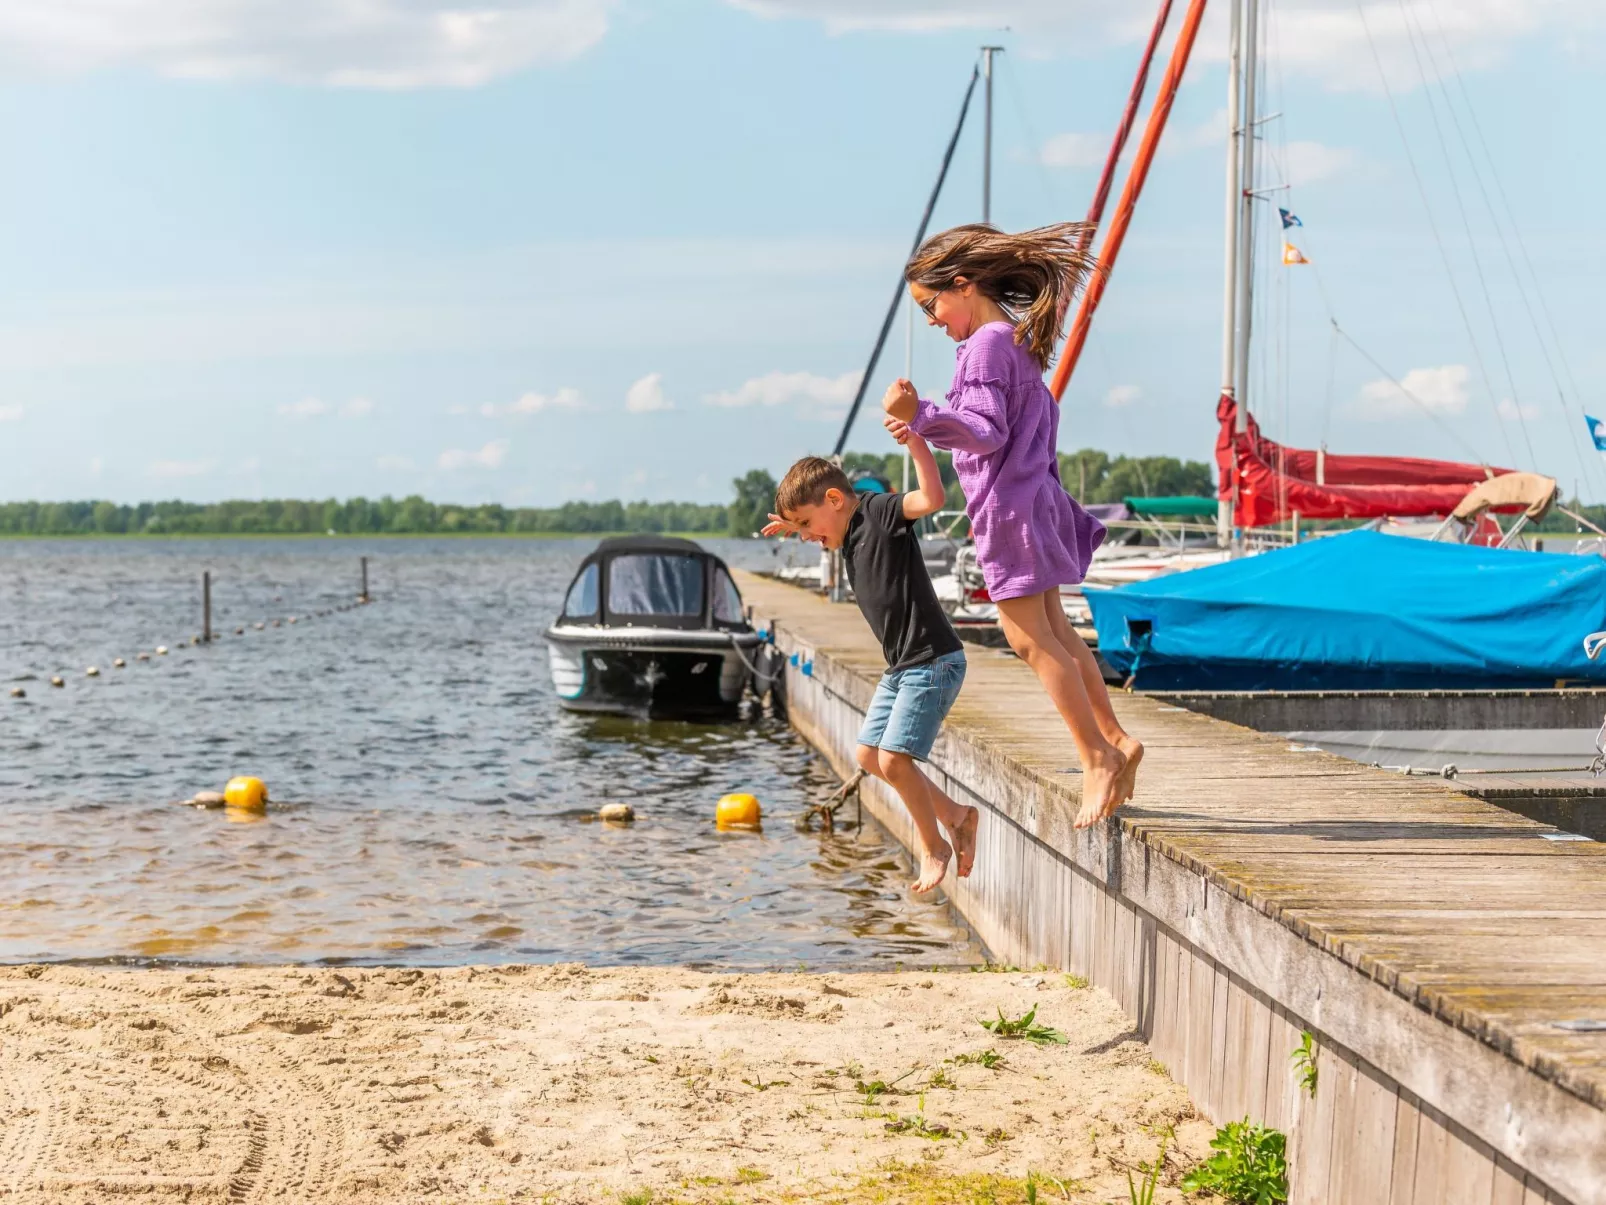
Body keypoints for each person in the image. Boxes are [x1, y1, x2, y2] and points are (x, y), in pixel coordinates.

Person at [881, 220, 1142, 829]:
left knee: (1028, 640)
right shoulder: (1012, 340)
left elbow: (986, 430)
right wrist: (924, 423)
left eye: (932, 305)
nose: (932, 321)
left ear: (964, 284)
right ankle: (1115, 740)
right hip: (1034, 500)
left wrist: (919, 410)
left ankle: (1097, 758)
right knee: (1056, 632)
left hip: (1010, 508)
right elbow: (996, 425)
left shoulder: (986, 345)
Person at [763, 440, 978, 894]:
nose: (806, 536)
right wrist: (797, 522)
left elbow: (933, 499)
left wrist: (917, 441)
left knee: (894, 759)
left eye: (807, 524)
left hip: (933, 660)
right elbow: (820, 521)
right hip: (903, 667)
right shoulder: (843, 533)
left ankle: (934, 845)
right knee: (868, 756)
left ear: (836, 501)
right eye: (799, 528)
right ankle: (957, 816)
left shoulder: (878, 512)